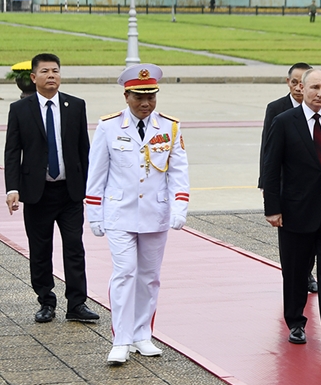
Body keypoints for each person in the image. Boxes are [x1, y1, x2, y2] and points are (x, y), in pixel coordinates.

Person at [85, 64, 190, 365]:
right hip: (119, 212)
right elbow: (97, 173)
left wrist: (179, 206)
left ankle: (143, 334)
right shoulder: (109, 126)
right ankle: (121, 339)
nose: (145, 104)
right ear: (126, 95)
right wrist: (94, 213)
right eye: (139, 97)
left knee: (149, 277)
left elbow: (179, 171)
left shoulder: (169, 127)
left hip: (155, 213)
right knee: (124, 272)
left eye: (151, 97)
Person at [262, 68, 321, 349]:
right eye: (315, 88)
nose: (320, 93)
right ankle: (295, 323)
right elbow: (271, 167)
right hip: (295, 211)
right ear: (302, 89)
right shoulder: (284, 122)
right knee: (295, 272)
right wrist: (272, 207)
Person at [4, 53, 99, 324]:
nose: (51, 76)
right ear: (33, 77)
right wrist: (12, 189)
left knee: (74, 247)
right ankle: (46, 302)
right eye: (45, 71)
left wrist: (90, 188)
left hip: (69, 193)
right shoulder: (20, 110)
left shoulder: (75, 106)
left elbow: (84, 150)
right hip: (37, 193)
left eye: (55, 71)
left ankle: (77, 304)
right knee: (40, 249)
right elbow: (12, 152)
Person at [259, 62, 318, 294]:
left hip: (311, 184)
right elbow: (267, 149)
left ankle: (307, 272)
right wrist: (266, 182)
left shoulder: (318, 105)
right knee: (291, 237)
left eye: (302, 83)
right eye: (294, 82)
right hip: (285, 183)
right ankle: (294, 276)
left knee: (314, 232)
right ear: (288, 82)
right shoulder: (276, 108)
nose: (298, 88)